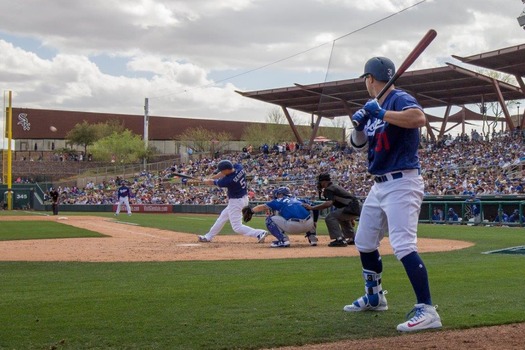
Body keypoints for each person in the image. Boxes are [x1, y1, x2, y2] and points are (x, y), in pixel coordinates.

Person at [345, 56, 441, 332]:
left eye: (365, 79)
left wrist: (380, 113)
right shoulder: (376, 105)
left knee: (403, 245)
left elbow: (418, 118)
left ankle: (428, 309)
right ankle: (375, 298)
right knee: (364, 241)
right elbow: (359, 146)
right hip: (379, 184)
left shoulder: (398, 97)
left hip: (402, 180)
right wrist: (360, 124)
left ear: (370, 79)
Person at [197, 159, 268, 243]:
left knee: (237, 227)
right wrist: (209, 178)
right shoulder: (239, 168)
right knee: (222, 217)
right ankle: (208, 236)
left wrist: (205, 180)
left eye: (223, 171)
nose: (221, 172)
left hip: (236, 202)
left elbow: (213, 182)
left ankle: (259, 233)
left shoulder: (228, 180)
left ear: (227, 170)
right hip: (243, 199)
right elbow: (221, 174)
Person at [304, 173, 359, 247]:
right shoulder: (334, 187)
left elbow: (329, 203)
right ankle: (352, 238)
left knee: (330, 218)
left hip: (351, 207)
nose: (319, 183)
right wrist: (351, 218)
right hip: (354, 207)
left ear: (324, 181)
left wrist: (312, 208)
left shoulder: (329, 189)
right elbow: (343, 203)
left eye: (320, 181)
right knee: (341, 218)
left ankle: (339, 239)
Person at [250, 186, 316, 248]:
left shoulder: (279, 200)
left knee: (269, 219)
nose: (276, 196)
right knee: (310, 211)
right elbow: (314, 207)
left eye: (278, 194)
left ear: (281, 194)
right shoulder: (299, 199)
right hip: (309, 225)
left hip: (293, 226)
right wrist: (315, 222)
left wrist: (251, 211)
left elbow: (262, 207)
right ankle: (313, 238)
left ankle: (283, 240)